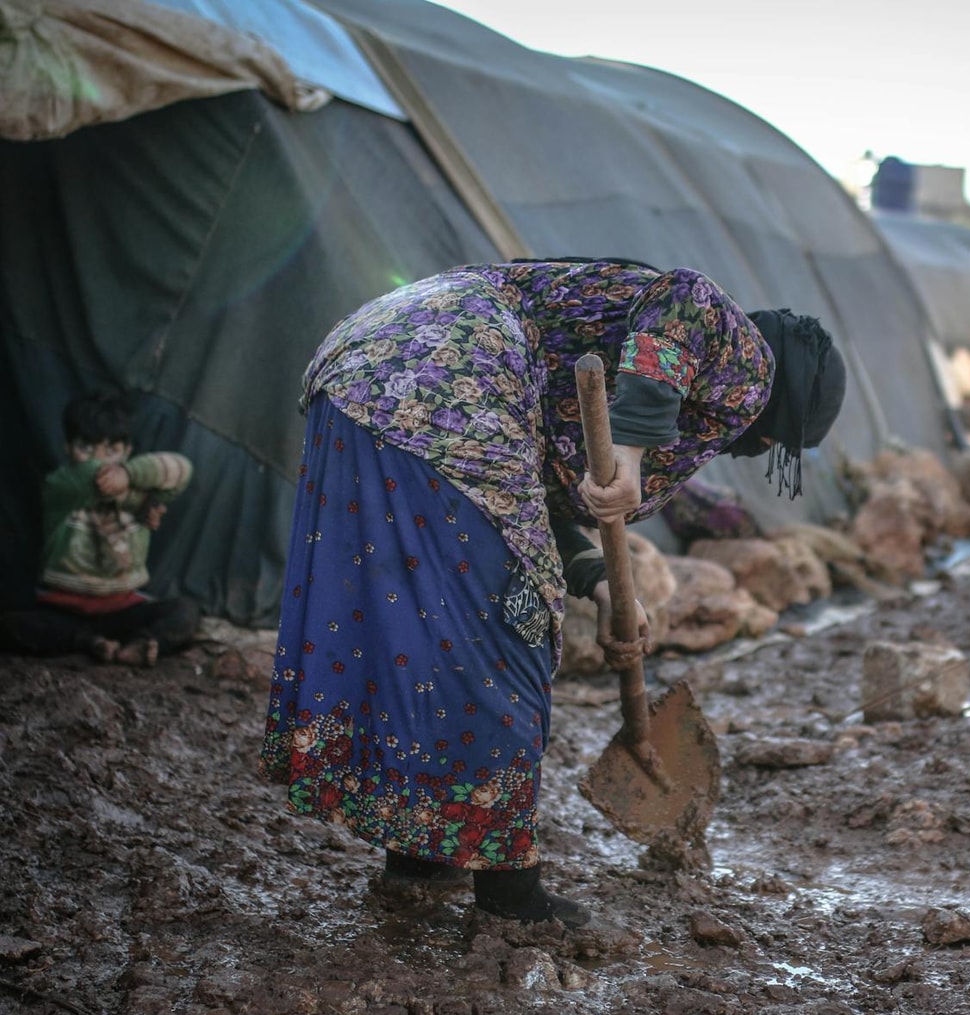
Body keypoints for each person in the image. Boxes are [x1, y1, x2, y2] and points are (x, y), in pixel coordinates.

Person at [259, 259, 846, 927]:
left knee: (422, 636)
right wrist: (629, 453)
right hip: (455, 370)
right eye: (771, 438)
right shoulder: (747, 359)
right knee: (512, 632)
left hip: (367, 369)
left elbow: (535, 497)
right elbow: (686, 297)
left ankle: (421, 855)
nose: (755, 445)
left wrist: (599, 585)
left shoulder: (608, 368)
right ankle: (510, 890)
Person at [0, 392, 199, 666]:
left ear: (127, 452)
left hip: (123, 608)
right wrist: (141, 500)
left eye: (112, 450)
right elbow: (93, 478)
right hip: (64, 609)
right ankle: (88, 642)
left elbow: (182, 468)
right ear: (67, 448)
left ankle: (140, 645)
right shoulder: (61, 485)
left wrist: (129, 475)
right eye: (86, 448)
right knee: (11, 624)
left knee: (184, 612)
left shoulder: (132, 476)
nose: (101, 460)